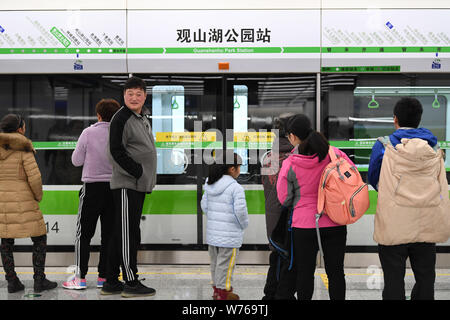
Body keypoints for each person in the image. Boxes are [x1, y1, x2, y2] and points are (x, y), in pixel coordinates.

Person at [368, 97, 450, 300]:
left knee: (393, 280)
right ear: (419, 119)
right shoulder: (433, 147)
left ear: (395, 119)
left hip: (394, 224)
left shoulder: (383, 146)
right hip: (426, 223)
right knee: (425, 279)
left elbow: (373, 178)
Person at [277, 114, 353, 300]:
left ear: (293, 136)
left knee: (305, 273)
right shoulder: (335, 154)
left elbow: (284, 198)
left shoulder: (291, 163)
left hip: (304, 226)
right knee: (336, 272)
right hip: (335, 221)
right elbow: (352, 179)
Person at [101, 76, 157, 298]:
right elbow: (115, 151)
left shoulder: (141, 116)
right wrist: (137, 171)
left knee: (120, 233)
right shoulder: (121, 117)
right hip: (127, 184)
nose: (134, 98)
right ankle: (131, 282)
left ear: (144, 96)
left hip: (137, 184)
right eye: (130, 94)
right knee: (128, 234)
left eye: (139, 94)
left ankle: (111, 281)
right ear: (124, 95)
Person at [62, 99, 120, 290]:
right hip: (114, 188)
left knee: (84, 234)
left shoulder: (88, 132)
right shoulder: (120, 132)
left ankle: (80, 278)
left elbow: (76, 161)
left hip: (92, 188)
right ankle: (104, 277)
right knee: (109, 235)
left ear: (98, 115)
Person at [0, 114, 57, 293]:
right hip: (24, 199)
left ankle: (12, 281)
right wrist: (38, 196)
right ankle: (39, 280)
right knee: (40, 238)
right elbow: (35, 177)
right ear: (20, 129)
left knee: (6, 240)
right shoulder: (24, 147)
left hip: (2, 200)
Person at [201, 152, 248, 300]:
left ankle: (216, 291)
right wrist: (243, 225)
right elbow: (240, 212)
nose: (239, 171)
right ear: (232, 169)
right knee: (226, 266)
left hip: (213, 235)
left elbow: (204, 206)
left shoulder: (210, 184)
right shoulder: (236, 188)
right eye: (239, 167)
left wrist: (215, 219)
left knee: (215, 264)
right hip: (229, 236)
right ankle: (224, 292)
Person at [260, 114, 297, 300]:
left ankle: (270, 294)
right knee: (288, 260)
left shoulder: (268, 157)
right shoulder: (295, 158)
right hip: (288, 218)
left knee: (275, 256)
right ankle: (282, 295)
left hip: (272, 215)